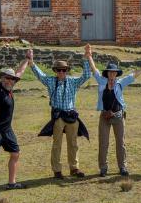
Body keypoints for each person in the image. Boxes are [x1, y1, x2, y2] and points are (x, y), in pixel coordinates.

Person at [28, 47, 93, 178]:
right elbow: (40, 75)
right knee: (57, 144)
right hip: (58, 116)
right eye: (59, 70)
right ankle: (57, 170)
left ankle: (74, 168)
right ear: (56, 71)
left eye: (64, 70)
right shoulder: (51, 81)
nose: (61, 72)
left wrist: (86, 58)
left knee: (73, 144)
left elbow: (86, 75)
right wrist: (31, 62)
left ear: (67, 71)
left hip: (71, 115)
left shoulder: (73, 82)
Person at [88, 48, 141, 177]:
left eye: (114, 72)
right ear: (107, 73)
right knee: (103, 143)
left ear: (117, 74)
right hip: (104, 116)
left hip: (118, 115)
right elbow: (94, 69)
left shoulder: (120, 83)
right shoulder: (102, 81)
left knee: (120, 143)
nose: (112, 74)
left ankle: (122, 167)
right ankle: (103, 168)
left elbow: (135, 74)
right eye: (110, 72)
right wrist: (89, 56)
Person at [0, 64, 29, 196]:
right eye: (6, 78)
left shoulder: (9, 88)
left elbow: (19, 72)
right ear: (2, 78)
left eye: (12, 79)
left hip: (7, 130)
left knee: (15, 153)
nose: (9, 80)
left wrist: (27, 59)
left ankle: (11, 183)